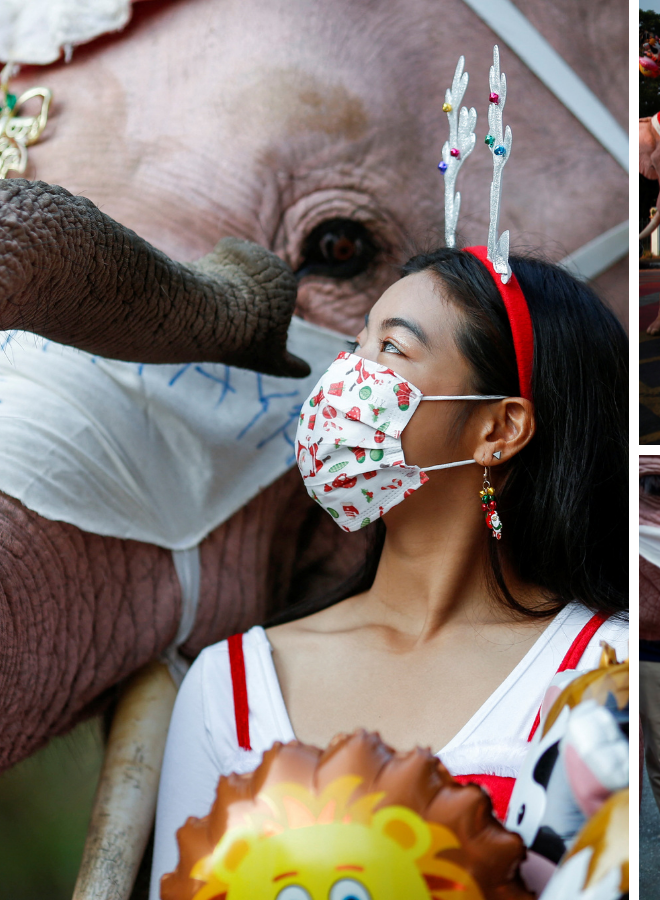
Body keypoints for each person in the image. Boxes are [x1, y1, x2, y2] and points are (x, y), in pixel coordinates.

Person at [150, 246, 630, 888]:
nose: (346, 376)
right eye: (356, 346)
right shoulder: (229, 684)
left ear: (499, 427)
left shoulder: (607, 677)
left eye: (392, 349)